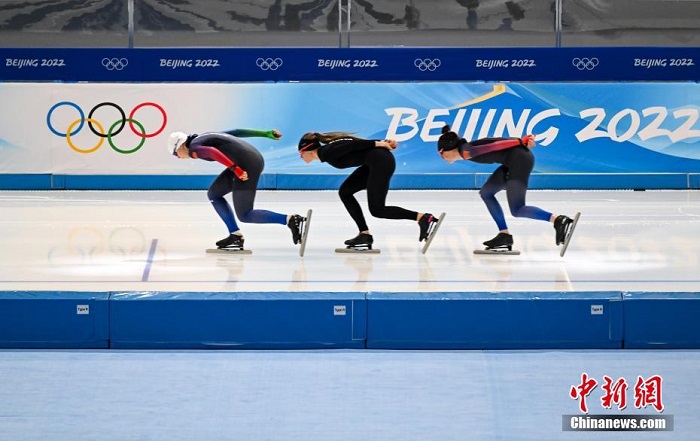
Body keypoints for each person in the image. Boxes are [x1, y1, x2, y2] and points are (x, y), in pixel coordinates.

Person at [436, 125, 575, 251]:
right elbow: (492, 141)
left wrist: (520, 141)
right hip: (512, 160)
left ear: (448, 149)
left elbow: (495, 145)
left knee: (518, 209)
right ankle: (504, 235)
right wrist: (519, 141)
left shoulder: (467, 152)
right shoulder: (466, 149)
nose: (441, 157)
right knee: (486, 193)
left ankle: (557, 220)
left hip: (519, 160)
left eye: (440, 153)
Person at [297, 131, 440, 250]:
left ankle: (422, 218)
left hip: (380, 162)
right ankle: (364, 233)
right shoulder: (328, 151)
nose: (301, 157)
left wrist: (380, 143)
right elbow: (354, 144)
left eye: (300, 154)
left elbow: (354, 145)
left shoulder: (327, 151)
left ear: (307, 150)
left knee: (378, 210)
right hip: (373, 162)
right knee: (345, 192)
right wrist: (384, 141)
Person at [167, 128, 306, 250]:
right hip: (248, 160)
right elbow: (236, 132)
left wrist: (235, 169)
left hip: (247, 165)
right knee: (214, 194)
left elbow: (212, 152)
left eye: (175, 154)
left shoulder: (194, 150)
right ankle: (235, 235)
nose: (178, 158)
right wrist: (264, 133)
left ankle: (290, 219)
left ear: (180, 146)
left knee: (245, 214)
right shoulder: (203, 137)